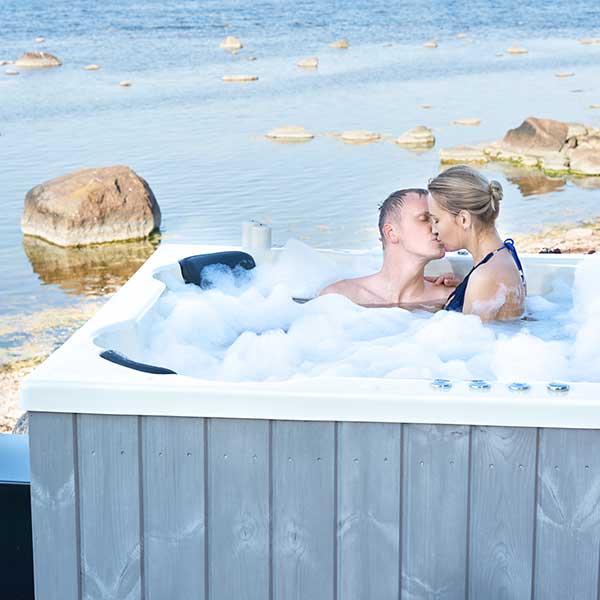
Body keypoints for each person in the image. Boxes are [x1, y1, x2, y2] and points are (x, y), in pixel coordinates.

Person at [319, 188, 458, 308]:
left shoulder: (450, 296)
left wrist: (466, 288)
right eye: (424, 219)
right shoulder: (341, 297)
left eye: (437, 220)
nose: (437, 228)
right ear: (391, 233)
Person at [427, 165, 526, 321]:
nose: (434, 230)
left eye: (436, 220)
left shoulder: (484, 276)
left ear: (464, 220)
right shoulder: (504, 255)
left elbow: (472, 337)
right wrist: (463, 288)